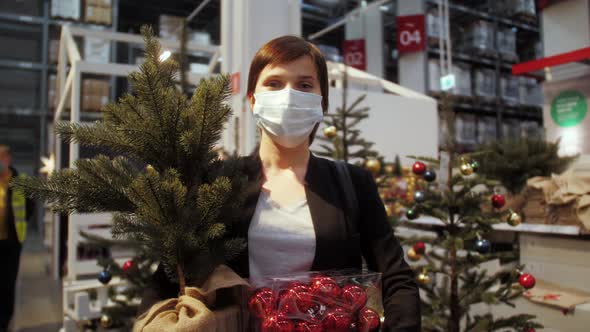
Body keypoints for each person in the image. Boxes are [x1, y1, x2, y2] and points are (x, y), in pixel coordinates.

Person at [140, 36, 421, 331]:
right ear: (252, 99)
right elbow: (169, 277)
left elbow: (396, 276)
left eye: (304, 85)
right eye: (274, 83)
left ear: (321, 102)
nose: (289, 96)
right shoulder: (218, 182)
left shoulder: (352, 183)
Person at [0, 145, 32, 332]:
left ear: (9, 159)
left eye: (2, 157)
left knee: (7, 284)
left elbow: (29, 208)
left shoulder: (20, 182)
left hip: (12, 242)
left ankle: (4, 321)